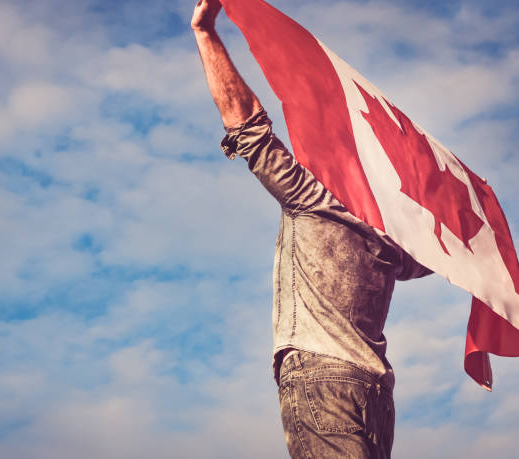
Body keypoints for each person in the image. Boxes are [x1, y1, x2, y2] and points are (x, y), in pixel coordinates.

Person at [191, 1, 432, 457]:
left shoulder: (315, 199)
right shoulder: (395, 237)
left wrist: (205, 34)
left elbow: (246, 123)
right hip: (376, 393)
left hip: (323, 378)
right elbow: (440, 258)